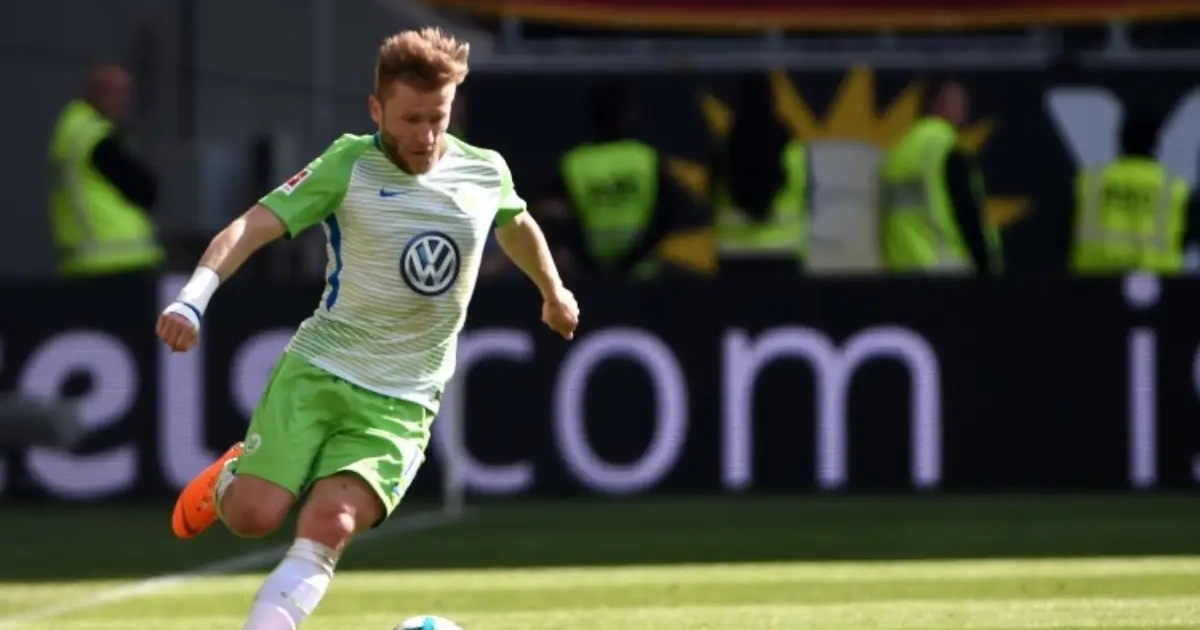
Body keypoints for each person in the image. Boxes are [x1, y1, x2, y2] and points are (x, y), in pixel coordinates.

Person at [154, 27, 579, 630]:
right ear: (376, 109)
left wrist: (553, 291)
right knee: (253, 516)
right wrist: (192, 300)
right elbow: (252, 226)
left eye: (438, 118)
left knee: (332, 524)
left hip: (403, 397)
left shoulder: (485, 171)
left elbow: (515, 224)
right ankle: (230, 477)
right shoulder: (347, 164)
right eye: (410, 119)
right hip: (320, 370)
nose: (425, 135)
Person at [544, 80, 680, 280]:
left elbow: (559, 219)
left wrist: (589, 260)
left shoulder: (573, 164)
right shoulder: (647, 158)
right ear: (627, 115)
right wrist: (631, 258)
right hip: (641, 275)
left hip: (592, 275)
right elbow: (666, 218)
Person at [48, 63, 164, 277]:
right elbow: (143, 188)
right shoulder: (93, 136)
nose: (125, 101)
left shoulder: (74, 128)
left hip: (91, 258)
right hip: (115, 260)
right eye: (118, 92)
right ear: (97, 93)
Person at [879, 79, 1001, 274]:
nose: (964, 109)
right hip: (945, 268)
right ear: (940, 104)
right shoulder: (944, 146)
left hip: (901, 267)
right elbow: (965, 209)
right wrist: (984, 263)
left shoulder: (899, 151)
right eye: (959, 102)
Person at [1062, 107, 1199, 273]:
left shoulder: (1090, 183)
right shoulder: (1175, 189)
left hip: (1094, 280)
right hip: (1155, 282)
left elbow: (1064, 234)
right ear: (1156, 143)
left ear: (1120, 140)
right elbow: (1187, 239)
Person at [709, 73, 809, 276]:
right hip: (784, 255)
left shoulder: (724, 151)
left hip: (734, 259)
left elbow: (710, 197)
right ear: (773, 102)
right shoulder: (794, 153)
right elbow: (808, 201)